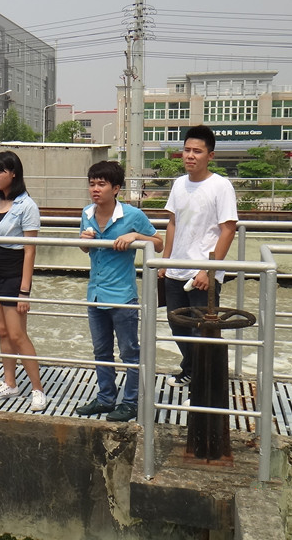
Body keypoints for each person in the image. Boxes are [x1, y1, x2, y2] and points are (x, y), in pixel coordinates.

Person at [75, 161, 163, 422]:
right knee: (101, 351)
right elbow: (85, 248)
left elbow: (159, 243)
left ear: (116, 188)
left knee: (129, 352)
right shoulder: (87, 213)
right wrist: (84, 242)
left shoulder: (132, 215)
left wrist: (135, 236)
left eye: (101, 184)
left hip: (123, 296)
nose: (95, 189)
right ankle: (105, 398)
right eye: (92, 184)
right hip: (95, 294)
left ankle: (131, 402)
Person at [159, 124, 238, 387]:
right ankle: (191, 371)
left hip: (202, 274)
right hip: (176, 269)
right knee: (178, 325)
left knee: (202, 328)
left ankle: (204, 384)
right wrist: (165, 261)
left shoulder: (221, 186)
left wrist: (209, 270)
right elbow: (173, 223)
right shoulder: (179, 184)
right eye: (186, 150)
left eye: (197, 151)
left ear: (210, 156)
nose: (190, 156)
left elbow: (228, 229)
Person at [0, 151, 47, 412]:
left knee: (18, 334)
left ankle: (37, 388)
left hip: (13, 274)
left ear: (14, 173)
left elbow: (30, 250)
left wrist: (24, 291)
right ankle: (10, 383)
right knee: (2, 331)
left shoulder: (27, 206)